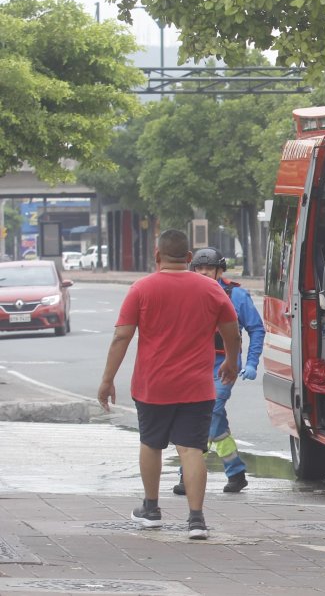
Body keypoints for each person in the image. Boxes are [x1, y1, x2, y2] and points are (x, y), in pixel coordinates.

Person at [98, 230, 240, 541]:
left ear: (157, 256)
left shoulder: (142, 288)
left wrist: (107, 380)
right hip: (197, 386)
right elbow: (232, 331)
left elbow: (121, 336)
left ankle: (151, 510)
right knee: (191, 449)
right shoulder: (211, 289)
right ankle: (196, 520)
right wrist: (231, 362)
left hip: (153, 385)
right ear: (189, 258)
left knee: (151, 444)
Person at [172, 247, 265, 496]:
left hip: (224, 366)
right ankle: (236, 472)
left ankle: (187, 474)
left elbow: (256, 328)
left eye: (209, 268)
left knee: (207, 412)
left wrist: (251, 362)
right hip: (192, 366)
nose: (204, 272)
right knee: (210, 418)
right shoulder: (184, 294)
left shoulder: (237, 296)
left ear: (220, 271)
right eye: (199, 268)